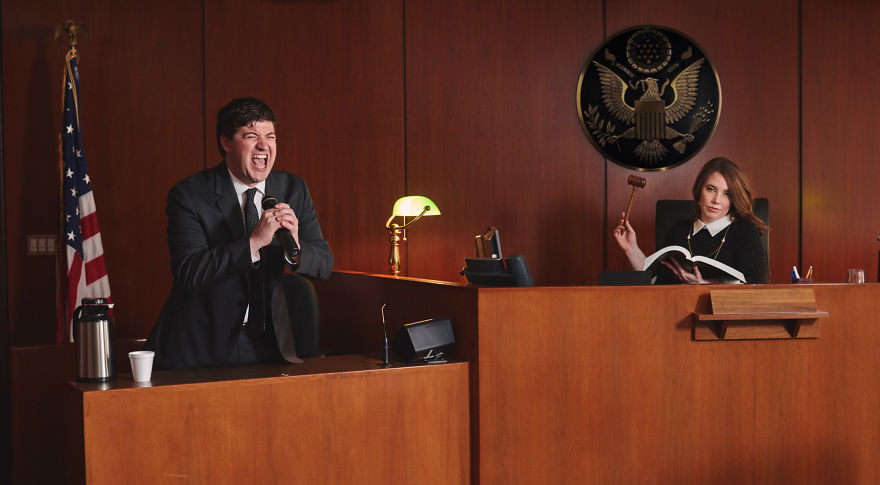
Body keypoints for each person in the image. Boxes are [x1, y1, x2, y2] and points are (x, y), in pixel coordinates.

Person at [145, 97, 333, 369]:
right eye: (251, 136)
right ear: (226, 143)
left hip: (270, 345)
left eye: (270, 136)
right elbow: (189, 271)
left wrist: (296, 247)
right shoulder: (189, 195)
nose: (263, 145)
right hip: (201, 348)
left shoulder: (294, 188)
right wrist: (254, 243)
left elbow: (324, 264)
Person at [613, 157, 768, 284]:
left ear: (734, 199)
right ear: (699, 190)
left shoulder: (745, 231)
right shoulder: (679, 230)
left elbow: (755, 286)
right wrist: (631, 248)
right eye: (711, 189)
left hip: (720, 317)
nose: (716, 200)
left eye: (726, 194)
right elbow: (655, 280)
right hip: (674, 311)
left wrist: (704, 284)